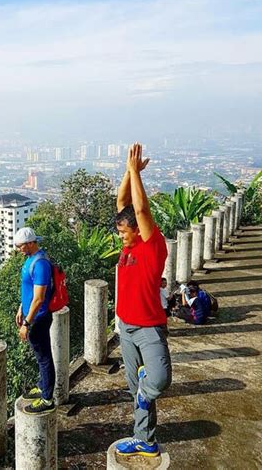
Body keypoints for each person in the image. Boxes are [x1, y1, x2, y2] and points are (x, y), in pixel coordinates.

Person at [114, 143, 172, 458]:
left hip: (149, 327)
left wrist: (137, 174)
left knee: (158, 382)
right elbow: (123, 203)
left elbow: (139, 210)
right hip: (126, 327)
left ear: (140, 231)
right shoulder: (130, 245)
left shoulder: (152, 246)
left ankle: (143, 392)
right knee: (135, 387)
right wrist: (128, 170)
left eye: (125, 231)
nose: (121, 234)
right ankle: (145, 440)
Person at [14, 227, 55, 414]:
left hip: (38, 318)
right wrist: (21, 307)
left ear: (31, 243)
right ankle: (42, 385)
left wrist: (26, 324)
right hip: (31, 314)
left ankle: (47, 398)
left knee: (44, 357)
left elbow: (39, 298)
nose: (19, 249)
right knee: (40, 356)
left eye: (21, 246)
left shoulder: (40, 264)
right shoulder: (31, 259)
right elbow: (28, 289)